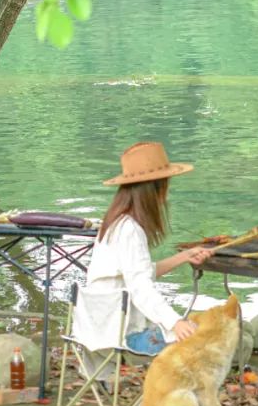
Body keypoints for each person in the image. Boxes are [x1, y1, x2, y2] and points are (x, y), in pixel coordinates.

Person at [82, 141, 213, 356]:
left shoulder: (116, 222)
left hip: (97, 327)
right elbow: (140, 287)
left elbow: (135, 274)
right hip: (119, 334)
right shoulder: (130, 230)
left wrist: (184, 256)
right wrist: (175, 323)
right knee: (207, 342)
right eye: (165, 184)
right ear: (156, 188)